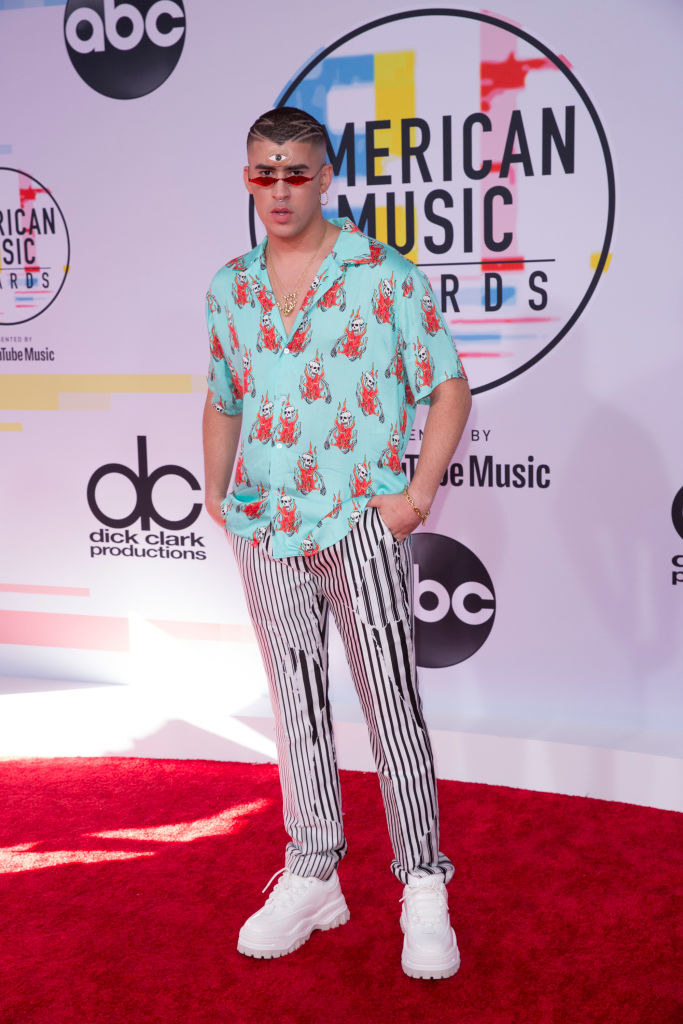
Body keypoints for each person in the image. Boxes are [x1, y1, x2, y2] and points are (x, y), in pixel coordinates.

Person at [202, 107, 472, 980]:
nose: (277, 190)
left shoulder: (382, 275)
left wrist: (415, 493)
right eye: (260, 174)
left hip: (358, 517)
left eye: (293, 173)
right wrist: (214, 493)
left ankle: (423, 883)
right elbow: (224, 395)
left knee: (391, 700)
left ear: (324, 177)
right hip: (264, 523)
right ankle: (314, 872)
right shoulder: (231, 287)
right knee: (296, 702)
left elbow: (447, 387)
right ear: (248, 180)